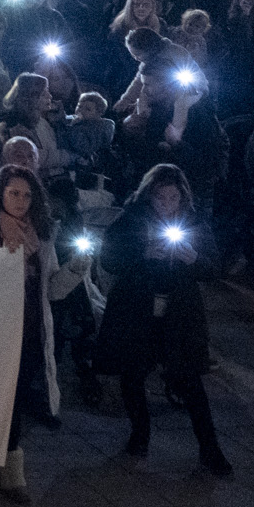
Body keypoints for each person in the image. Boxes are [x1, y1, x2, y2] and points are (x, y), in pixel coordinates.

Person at [92, 164, 230, 476]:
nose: (167, 204)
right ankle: (140, 434)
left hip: (178, 316)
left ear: (183, 199)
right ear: (148, 197)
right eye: (160, 198)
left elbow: (213, 269)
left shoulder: (194, 224)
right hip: (138, 312)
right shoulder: (130, 222)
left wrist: (193, 259)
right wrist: (142, 253)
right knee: (133, 375)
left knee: (190, 381)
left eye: (173, 198)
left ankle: (210, 450)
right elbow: (110, 260)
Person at [0, 164, 76, 503]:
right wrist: (3, 264)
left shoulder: (42, 236)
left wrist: (78, 269)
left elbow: (51, 290)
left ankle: (7, 463)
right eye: (13, 193)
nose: (20, 200)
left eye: (26, 194)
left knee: (14, 399)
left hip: (28, 331)